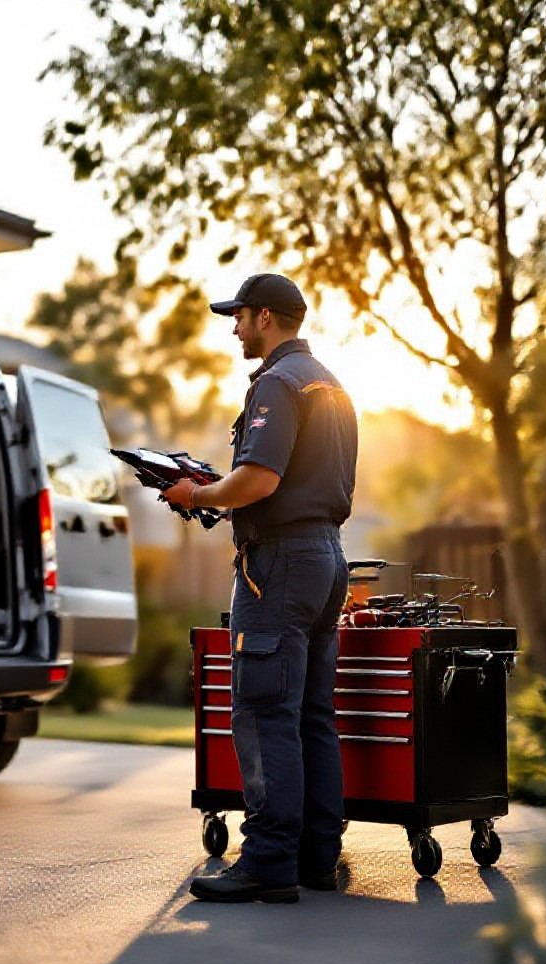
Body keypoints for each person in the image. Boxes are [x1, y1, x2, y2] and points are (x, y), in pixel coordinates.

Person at [163, 272, 358, 904]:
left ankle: (269, 862)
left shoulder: (277, 383)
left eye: (240, 316)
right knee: (311, 713)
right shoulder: (332, 384)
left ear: (267, 318)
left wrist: (198, 494)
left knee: (264, 709)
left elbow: (259, 481)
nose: (235, 326)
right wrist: (220, 487)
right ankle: (315, 858)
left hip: (276, 565)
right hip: (327, 558)